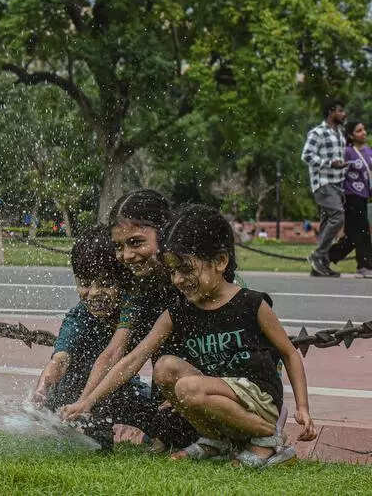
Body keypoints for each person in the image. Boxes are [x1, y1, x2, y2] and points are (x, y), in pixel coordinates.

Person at [62, 204, 317, 467]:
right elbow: (133, 358)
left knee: (188, 387)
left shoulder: (251, 303)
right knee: (164, 367)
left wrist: (303, 408)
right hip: (216, 390)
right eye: (172, 271)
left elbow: (288, 353)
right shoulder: (179, 310)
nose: (178, 280)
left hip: (258, 397)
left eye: (186, 269)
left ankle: (267, 438)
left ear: (220, 261)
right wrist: (88, 401)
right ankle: (215, 439)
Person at [62, 189, 198, 451]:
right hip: (170, 387)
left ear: (164, 232)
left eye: (136, 242)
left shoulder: (193, 278)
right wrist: (84, 402)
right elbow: (115, 352)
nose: (126, 255)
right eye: (119, 246)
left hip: (222, 381)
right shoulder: (140, 288)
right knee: (165, 434)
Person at [32, 224, 166, 452]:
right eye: (85, 284)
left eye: (105, 284)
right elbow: (60, 359)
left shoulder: (137, 307)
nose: (94, 293)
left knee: (159, 417)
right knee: (59, 392)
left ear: (124, 281)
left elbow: (110, 356)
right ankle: (95, 432)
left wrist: (86, 402)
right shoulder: (78, 316)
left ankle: (149, 432)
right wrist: (42, 388)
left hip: (122, 389)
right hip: (86, 390)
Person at [301, 99, 348, 277]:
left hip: (337, 185)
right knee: (338, 217)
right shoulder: (317, 132)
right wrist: (329, 163)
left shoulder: (340, 132)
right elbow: (306, 156)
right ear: (331, 112)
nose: (344, 114)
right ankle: (317, 255)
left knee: (327, 223)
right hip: (323, 182)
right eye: (340, 111)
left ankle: (320, 266)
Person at [327, 120, 372, 278]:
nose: (364, 133)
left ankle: (325, 257)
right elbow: (337, 175)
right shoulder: (346, 152)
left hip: (364, 196)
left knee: (354, 236)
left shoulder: (369, 151)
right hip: (350, 197)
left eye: (364, 129)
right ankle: (364, 266)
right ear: (351, 135)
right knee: (362, 232)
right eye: (359, 130)